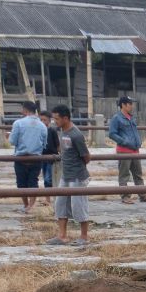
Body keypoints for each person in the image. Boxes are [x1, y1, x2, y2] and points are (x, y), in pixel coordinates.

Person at [47, 105, 92, 247]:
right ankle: (62, 235)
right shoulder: (62, 131)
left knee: (79, 205)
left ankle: (84, 236)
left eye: (57, 119)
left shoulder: (76, 134)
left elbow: (86, 156)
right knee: (60, 204)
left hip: (77, 176)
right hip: (65, 175)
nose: (55, 122)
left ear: (65, 118)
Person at [107, 96, 146, 206]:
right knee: (124, 175)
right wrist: (124, 141)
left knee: (138, 175)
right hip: (124, 150)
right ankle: (125, 196)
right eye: (129, 104)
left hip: (135, 150)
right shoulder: (116, 118)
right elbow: (112, 134)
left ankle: (142, 195)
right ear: (123, 105)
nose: (131, 106)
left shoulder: (131, 118)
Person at [9, 100, 47, 212]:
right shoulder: (42, 125)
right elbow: (44, 144)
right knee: (33, 182)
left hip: (21, 157)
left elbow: (12, 141)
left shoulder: (18, 123)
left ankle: (26, 205)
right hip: (36, 158)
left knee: (21, 183)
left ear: (25, 110)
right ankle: (31, 205)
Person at [39, 111, 59, 207]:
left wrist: (60, 155)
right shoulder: (39, 131)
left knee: (48, 179)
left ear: (49, 120)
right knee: (46, 178)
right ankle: (48, 199)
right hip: (42, 157)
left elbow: (57, 144)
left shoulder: (52, 131)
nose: (42, 122)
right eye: (41, 120)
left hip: (52, 157)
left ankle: (50, 199)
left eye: (44, 120)